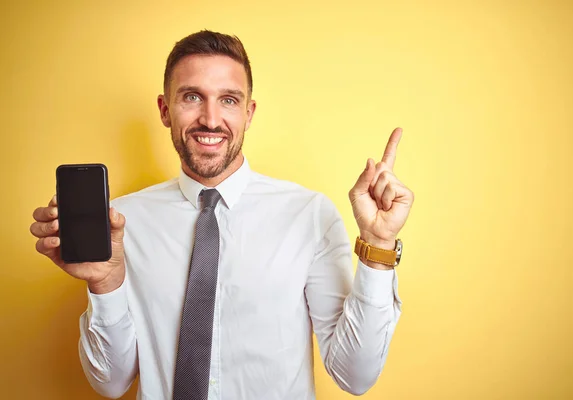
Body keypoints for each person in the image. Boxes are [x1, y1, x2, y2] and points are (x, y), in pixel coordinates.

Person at [30, 30, 414, 400]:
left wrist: (379, 247)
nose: (211, 120)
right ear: (165, 110)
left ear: (249, 113)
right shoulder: (121, 224)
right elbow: (110, 384)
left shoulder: (309, 215)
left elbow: (355, 376)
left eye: (229, 100)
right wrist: (105, 283)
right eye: (192, 97)